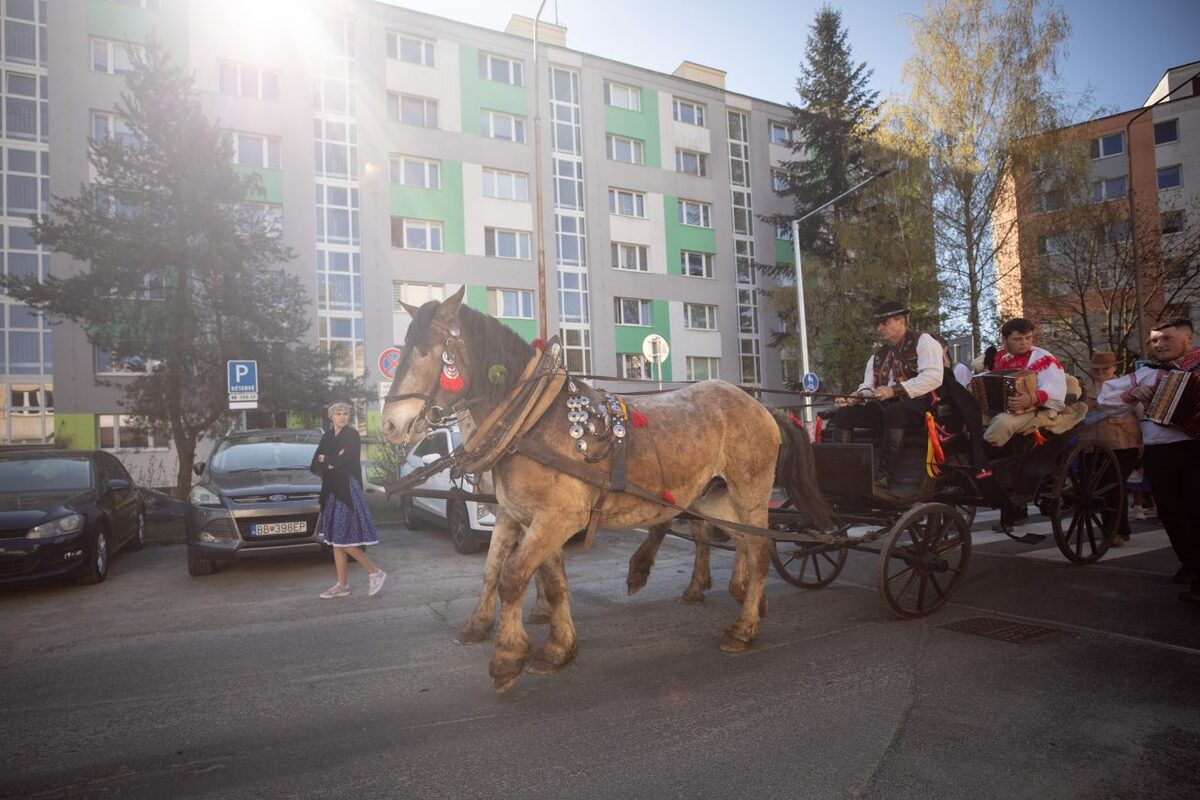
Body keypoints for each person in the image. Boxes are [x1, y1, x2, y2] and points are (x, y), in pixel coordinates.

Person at [1098, 318, 1200, 605]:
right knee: (1171, 513)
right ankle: (1190, 563)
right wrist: (1131, 394)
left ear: (1188, 340)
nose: (1159, 345)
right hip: (1159, 451)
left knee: (1196, 510)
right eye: (1155, 340)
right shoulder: (1146, 374)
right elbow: (1108, 397)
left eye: (1166, 338)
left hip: (1195, 449)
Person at [833, 301, 943, 489]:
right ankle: (844, 471)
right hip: (887, 407)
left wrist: (894, 390)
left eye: (884, 323)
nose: (879, 328)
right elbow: (869, 387)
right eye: (877, 324)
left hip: (918, 405)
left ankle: (884, 475)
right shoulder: (878, 354)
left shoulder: (924, 341)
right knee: (845, 414)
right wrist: (855, 397)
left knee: (895, 411)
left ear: (901, 321)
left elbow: (933, 377)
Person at [311, 402, 386, 599]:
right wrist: (333, 460)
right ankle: (342, 585)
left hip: (347, 490)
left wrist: (325, 459)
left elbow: (349, 460)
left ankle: (374, 572)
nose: (342, 417)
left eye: (345, 414)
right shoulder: (327, 436)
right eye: (338, 413)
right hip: (331, 492)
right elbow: (313, 465)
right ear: (331, 416)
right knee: (337, 542)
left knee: (345, 541)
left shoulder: (352, 435)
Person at [983, 318, 1085, 447]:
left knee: (1003, 423)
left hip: (1034, 410)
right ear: (1004, 340)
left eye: (1028, 338)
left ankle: (986, 458)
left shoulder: (1043, 359)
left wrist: (1032, 398)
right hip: (995, 408)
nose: (1024, 343)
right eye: (1018, 339)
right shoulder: (997, 357)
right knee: (968, 415)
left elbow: (1054, 387)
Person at [1081, 351, 1141, 547]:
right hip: (1093, 444)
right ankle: (1111, 529)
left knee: (1115, 486)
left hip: (1122, 442)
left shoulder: (1126, 385)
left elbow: (1140, 413)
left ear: (1114, 367)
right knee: (1100, 489)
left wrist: (1145, 442)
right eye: (1096, 369)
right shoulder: (1086, 386)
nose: (1100, 372)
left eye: (1105, 368)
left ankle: (1118, 530)